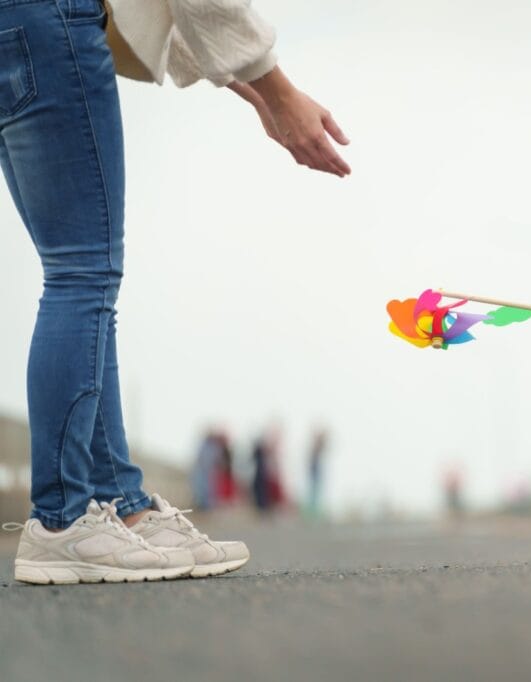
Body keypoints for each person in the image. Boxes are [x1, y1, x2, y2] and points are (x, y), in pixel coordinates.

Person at [1, 0, 348, 584]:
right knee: (81, 274)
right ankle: (61, 522)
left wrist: (255, 89)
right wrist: (280, 90)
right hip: (53, 20)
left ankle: (117, 504)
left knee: (81, 277)